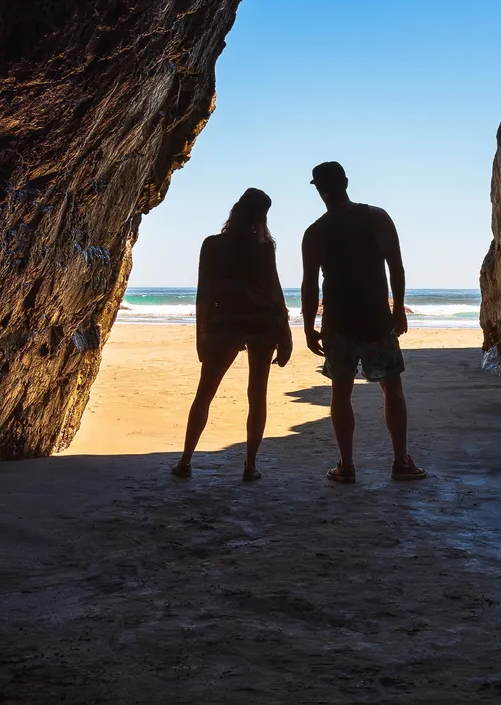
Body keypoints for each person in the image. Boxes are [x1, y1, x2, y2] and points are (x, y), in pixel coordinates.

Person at [301, 162, 426, 484]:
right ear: (345, 181)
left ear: (318, 188)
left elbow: (309, 285)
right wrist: (397, 309)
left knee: (340, 393)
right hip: (375, 318)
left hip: (337, 322)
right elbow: (396, 267)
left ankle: (346, 465)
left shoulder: (315, 231)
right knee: (392, 389)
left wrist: (307, 327)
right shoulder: (376, 217)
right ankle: (401, 462)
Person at [173, 188, 293, 481]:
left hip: (224, 324)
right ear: (262, 216)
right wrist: (285, 332)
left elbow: (204, 295)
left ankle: (186, 461)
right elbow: (275, 293)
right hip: (262, 324)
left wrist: (201, 336)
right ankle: (250, 466)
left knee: (205, 393)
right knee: (257, 396)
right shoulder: (265, 247)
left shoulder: (212, 245)